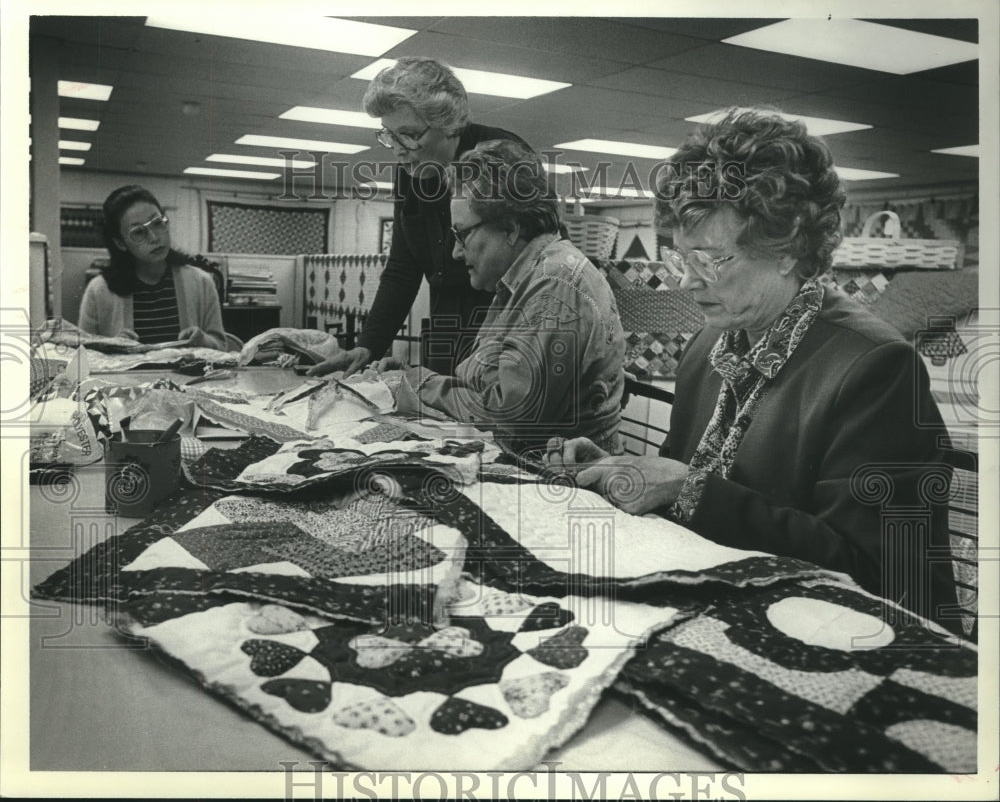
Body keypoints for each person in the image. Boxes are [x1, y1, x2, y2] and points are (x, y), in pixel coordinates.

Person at [545, 109, 959, 630]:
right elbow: (688, 486)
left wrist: (688, 489)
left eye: (711, 261)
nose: (687, 284)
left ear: (786, 247)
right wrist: (620, 471)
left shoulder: (877, 366)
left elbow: (883, 578)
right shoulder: (708, 345)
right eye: (681, 259)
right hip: (734, 611)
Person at [389, 139, 626, 457]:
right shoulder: (533, 276)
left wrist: (420, 382)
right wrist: (413, 376)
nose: (456, 252)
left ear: (511, 229)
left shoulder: (554, 289)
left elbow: (506, 419)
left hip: (563, 479)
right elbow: (492, 391)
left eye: (461, 235)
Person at [307, 57, 530, 378]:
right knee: (435, 418)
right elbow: (403, 266)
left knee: (482, 416)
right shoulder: (410, 173)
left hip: (503, 323)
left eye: (408, 134)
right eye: (389, 135)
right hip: (443, 324)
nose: (397, 149)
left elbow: (541, 260)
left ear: (450, 124)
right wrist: (368, 345)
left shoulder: (502, 156)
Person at [79, 185, 225, 349]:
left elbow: (221, 345)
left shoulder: (201, 282)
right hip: (128, 375)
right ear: (120, 243)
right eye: (139, 232)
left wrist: (203, 340)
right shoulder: (99, 291)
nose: (155, 237)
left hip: (189, 375)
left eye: (157, 223)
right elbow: (83, 357)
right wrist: (111, 347)